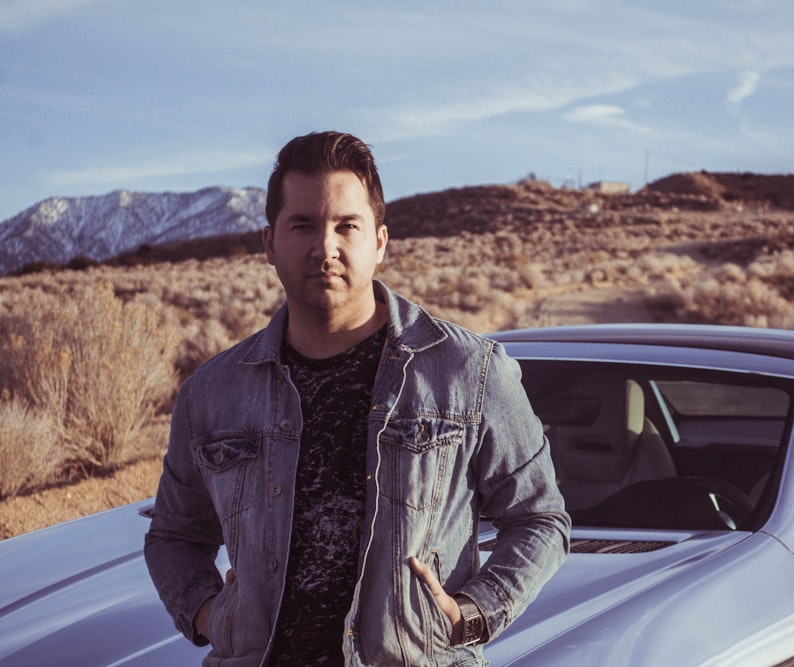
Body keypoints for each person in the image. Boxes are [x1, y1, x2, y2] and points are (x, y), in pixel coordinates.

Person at [144, 131, 570, 667]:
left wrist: (472, 612)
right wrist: (207, 611)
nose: (326, 247)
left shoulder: (469, 372)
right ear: (270, 243)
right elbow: (174, 536)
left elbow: (540, 519)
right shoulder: (212, 394)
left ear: (380, 241)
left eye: (348, 225)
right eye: (303, 225)